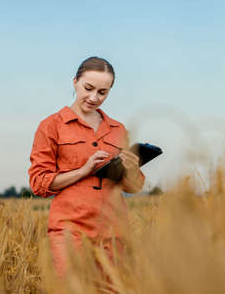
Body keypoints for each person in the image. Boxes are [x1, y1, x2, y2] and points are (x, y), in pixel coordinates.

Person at [28, 56, 145, 280]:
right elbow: (38, 183)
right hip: (70, 229)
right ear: (75, 82)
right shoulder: (51, 126)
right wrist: (83, 170)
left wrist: (131, 168)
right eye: (88, 88)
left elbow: (135, 186)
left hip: (114, 231)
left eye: (102, 92)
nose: (94, 98)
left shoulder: (118, 129)